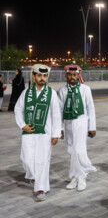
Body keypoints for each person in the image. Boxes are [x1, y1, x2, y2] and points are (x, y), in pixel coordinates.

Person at [14, 64, 61, 202]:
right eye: (39, 75)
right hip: (29, 133)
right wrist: (23, 125)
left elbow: (57, 114)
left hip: (45, 134)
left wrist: (55, 134)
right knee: (27, 159)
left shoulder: (51, 93)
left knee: (42, 161)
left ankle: (40, 189)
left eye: (45, 76)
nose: (42, 78)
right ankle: (34, 176)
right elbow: (17, 109)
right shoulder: (26, 93)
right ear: (34, 76)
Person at [58, 65, 97, 191]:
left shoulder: (85, 89)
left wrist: (92, 127)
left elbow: (90, 108)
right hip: (68, 123)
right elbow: (59, 111)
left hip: (81, 121)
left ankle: (81, 177)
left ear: (78, 75)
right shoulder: (63, 90)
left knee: (79, 150)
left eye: (74, 75)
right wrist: (60, 128)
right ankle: (75, 176)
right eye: (70, 75)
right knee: (71, 150)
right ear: (66, 76)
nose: (72, 77)